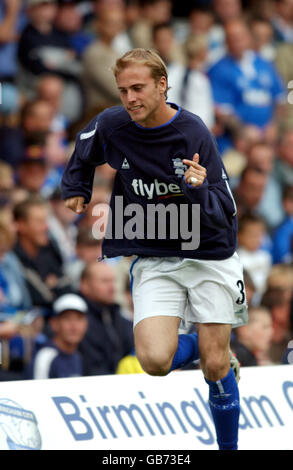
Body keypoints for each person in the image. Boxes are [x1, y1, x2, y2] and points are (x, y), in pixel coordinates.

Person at [61, 48, 247, 450]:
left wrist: (197, 190)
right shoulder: (113, 124)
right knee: (155, 363)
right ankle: (200, 341)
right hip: (154, 253)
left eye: (138, 88)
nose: (129, 98)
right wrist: (77, 187)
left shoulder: (193, 133)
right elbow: (85, 146)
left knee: (216, 367)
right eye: (123, 90)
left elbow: (225, 211)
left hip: (209, 253)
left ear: (163, 85)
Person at [26, 293, 88, 379]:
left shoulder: (78, 357)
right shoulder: (45, 357)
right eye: (67, 318)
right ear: (54, 324)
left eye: (79, 319)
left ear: (86, 324)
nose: (74, 326)